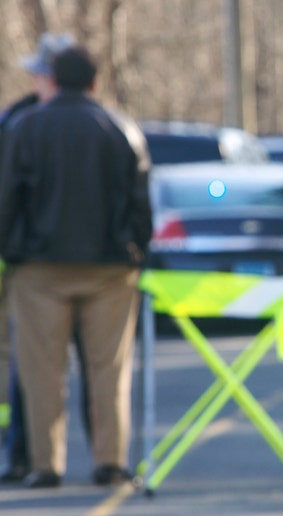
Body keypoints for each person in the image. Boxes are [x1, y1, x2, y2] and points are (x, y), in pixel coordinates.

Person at [0, 45, 152, 489]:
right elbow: (140, 201)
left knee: (41, 371)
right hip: (110, 270)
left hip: (39, 269)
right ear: (94, 82)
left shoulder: (25, 128)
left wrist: (11, 253)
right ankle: (111, 461)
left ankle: (45, 464)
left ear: (52, 79)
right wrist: (136, 249)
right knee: (109, 369)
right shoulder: (121, 127)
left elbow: (7, 198)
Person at [0, 31, 93, 485]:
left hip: (80, 266)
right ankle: (20, 454)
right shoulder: (16, 120)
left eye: (41, 71)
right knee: (26, 368)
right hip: (28, 264)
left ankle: (102, 460)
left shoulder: (100, 124)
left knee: (86, 369)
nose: (35, 78)